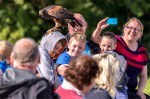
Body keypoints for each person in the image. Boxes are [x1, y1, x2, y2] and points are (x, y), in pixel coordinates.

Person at [92, 17, 150, 99]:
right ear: (124, 29)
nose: (133, 30)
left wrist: (140, 91)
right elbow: (96, 40)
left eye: (137, 29)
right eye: (130, 27)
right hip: (113, 86)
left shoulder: (142, 50)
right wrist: (99, 28)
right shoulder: (116, 41)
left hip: (130, 89)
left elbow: (143, 75)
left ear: (140, 34)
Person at [99, 31, 128, 99]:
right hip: (101, 86)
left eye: (109, 46)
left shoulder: (120, 58)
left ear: (115, 46)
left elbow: (121, 76)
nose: (106, 49)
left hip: (118, 87)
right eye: (103, 45)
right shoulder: (95, 58)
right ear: (100, 44)